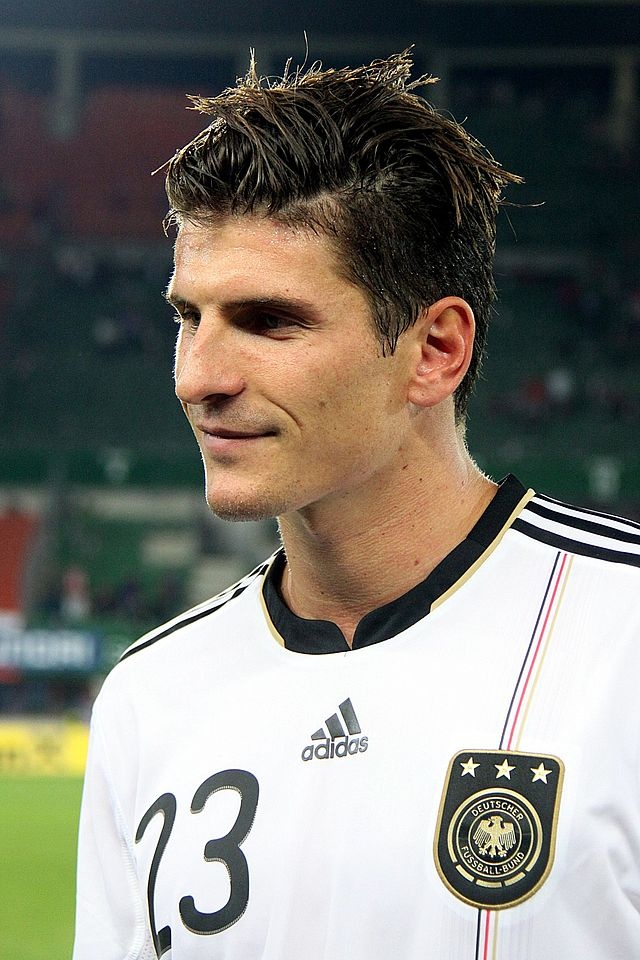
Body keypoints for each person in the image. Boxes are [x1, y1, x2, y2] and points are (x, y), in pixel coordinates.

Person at [73, 51, 640, 959]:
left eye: (269, 321)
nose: (198, 377)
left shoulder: (620, 635)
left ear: (435, 351)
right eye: (188, 317)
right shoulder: (149, 696)